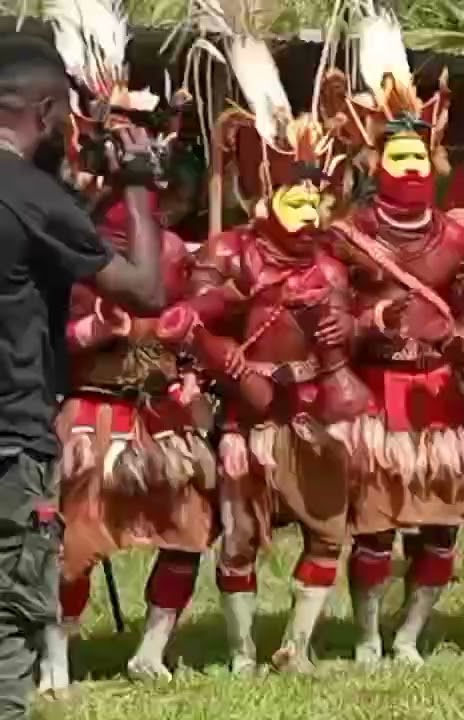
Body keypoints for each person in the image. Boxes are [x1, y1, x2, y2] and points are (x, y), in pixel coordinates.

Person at [156, 25, 367, 675]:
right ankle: (243, 651)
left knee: (330, 531)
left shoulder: (330, 265)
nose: (311, 210)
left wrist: (348, 332)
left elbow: (347, 326)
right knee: (241, 540)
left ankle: (295, 648)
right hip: (247, 421)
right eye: (297, 198)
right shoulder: (230, 253)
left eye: (316, 199)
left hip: (309, 416)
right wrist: (233, 362)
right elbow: (196, 321)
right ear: (268, 196)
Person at [35, 3, 215, 693]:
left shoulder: (174, 250)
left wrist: (191, 353)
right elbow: (37, 329)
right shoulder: (61, 233)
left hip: (158, 409)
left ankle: (153, 650)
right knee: (72, 541)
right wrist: (91, 333)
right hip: (85, 409)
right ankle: (56, 660)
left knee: (188, 526)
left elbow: (203, 316)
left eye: (149, 144)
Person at [0, 33, 164, 719]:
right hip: (11, 438)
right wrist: (138, 190)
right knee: (8, 624)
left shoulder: (43, 196)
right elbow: (146, 291)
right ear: (46, 111)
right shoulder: (32, 196)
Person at [320, 7, 464, 665]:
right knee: (374, 530)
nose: (413, 164)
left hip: (440, 394)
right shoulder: (348, 234)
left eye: (421, 153)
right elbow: (322, 323)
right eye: (400, 153)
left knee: (441, 528)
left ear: (436, 158)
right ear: (376, 159)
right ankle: (366, 637)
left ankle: (411, 637)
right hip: (375, 392)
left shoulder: (461, 236)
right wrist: (367, 324)